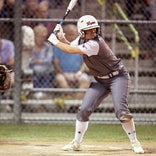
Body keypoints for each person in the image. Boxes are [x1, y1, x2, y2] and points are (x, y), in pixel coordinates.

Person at [47, 15, 144, 154]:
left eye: (95, 29)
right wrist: (61, 37)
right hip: (100, 80)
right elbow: (70, 46)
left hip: (118, 77)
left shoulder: (96, 43)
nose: (93, 32)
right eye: (89, 30)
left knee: (121, 111)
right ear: (82, 32)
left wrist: (55, 41)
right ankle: (77, 143)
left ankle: (135, 141)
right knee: (84, 110)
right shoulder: (81, 39)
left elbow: (70, 51)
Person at [53, 24, 90, 99]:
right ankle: (72, 100)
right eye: (69, 35)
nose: (72, 37)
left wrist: (79, 73)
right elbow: (55, 63)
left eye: (74, 35)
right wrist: (64, 74)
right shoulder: (59, 46)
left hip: (77, 73)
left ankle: (74, 102)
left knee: (85, 80)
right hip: (63, 73)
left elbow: (85, 63)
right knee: (60, 79)